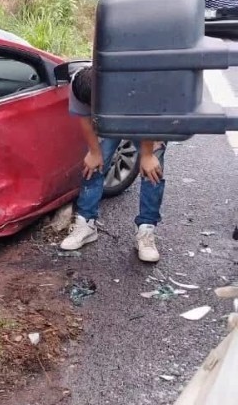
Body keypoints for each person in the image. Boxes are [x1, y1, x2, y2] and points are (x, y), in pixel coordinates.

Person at [60, 66, 167, 263]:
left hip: (146, 119)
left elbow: (151, 118)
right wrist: (94, 152)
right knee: (92, 166)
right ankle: (86, 224)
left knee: (152, 170)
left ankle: (146, 230)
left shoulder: (137, 84)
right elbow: (84, 119)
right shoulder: (79, 85)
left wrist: (147, 154)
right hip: (107, 123)